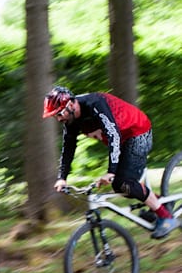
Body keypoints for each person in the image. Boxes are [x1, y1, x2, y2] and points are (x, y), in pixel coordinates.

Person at [43, 86, 179, 239]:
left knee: (125, 182)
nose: (59, 119)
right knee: (120, 186)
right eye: (56, 116)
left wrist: (111, 171)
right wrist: (62, 177)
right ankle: (159, 202)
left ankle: (166, 217)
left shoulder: (95, 104)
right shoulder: (71, 121)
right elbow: (68, 148)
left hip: (137, 132)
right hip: (122, 141)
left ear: (71, 105)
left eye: (60, 114)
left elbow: (113, 135)